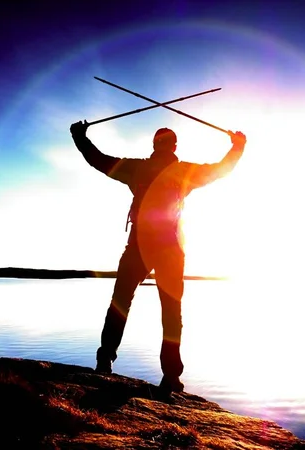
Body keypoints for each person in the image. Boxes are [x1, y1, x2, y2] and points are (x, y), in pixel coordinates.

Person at [70, 120, 246, 392]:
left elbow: (98, 160)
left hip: (141, 244)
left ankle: (105, 359)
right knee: (171, 311)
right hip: (171, 247)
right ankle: (172, 376)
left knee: (121, 302)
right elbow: (220, 170)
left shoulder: (137, 168)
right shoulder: (184, 171)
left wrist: (79, 136)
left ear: (155, 145)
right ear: (174, 146)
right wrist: (238, 146)